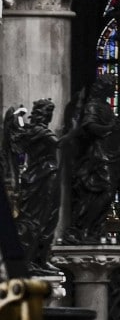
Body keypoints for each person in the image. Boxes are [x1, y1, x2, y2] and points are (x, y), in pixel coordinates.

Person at [61, 76, 120, 244]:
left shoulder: (104, 106)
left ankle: (93, 227)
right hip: (97, 155)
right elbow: (89, 127)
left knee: (108, 191)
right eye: (111, 87)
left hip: (108, 153)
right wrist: (110, 128)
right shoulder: (93, 105)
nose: (113, 90)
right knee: (105, 190)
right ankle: (84, 227)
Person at [6, 100, 61, 272]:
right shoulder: (38, 131)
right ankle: (29, 259)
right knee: (35, 220)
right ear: (43, 114)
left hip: (49, 178)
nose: (50, 116)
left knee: (50, 219)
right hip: (39, 180)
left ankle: (40, 258)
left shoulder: (36, 130)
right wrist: (77, 130)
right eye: (48, 112)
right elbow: (58, 142)